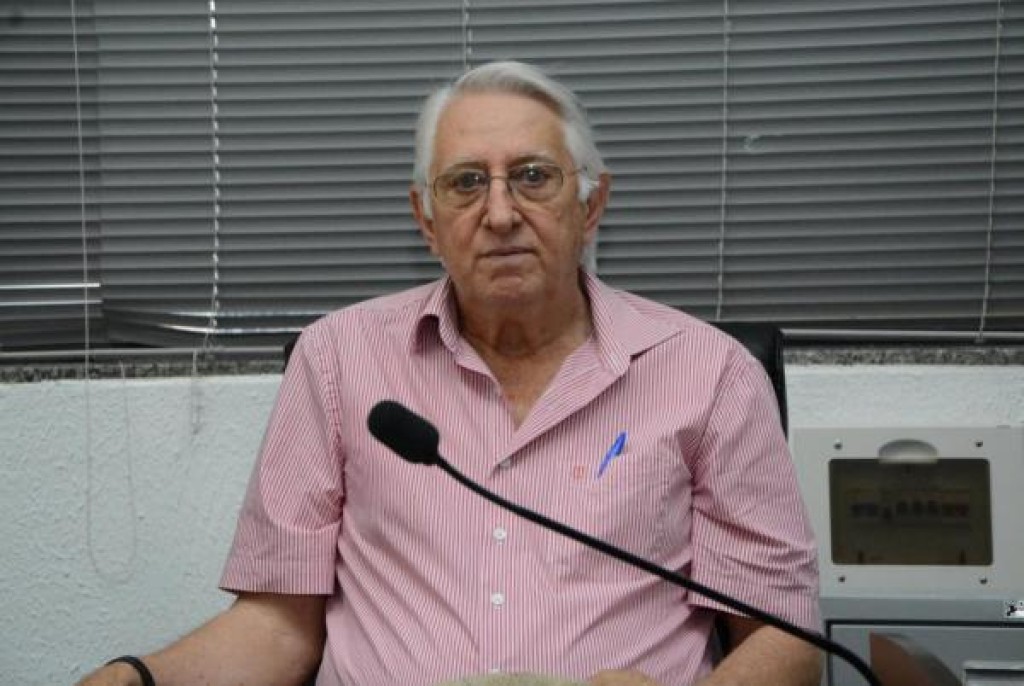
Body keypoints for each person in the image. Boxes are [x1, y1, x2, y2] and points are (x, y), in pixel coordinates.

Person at [79, 61, 821, 686]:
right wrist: (138, 677)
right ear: (426, 220)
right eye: (466, 183)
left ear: (591, 203)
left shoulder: (709, 373)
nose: (500, 213)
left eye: (532, 177)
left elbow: (784, 635)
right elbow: (279, 627)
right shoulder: (339, 360)